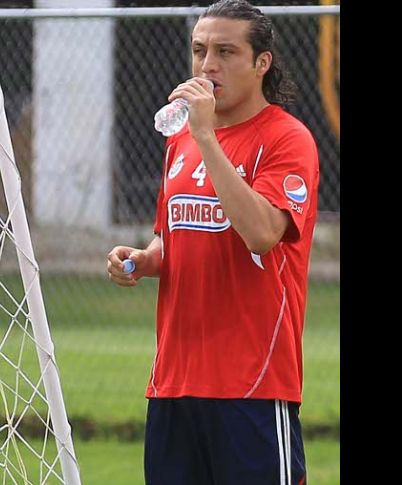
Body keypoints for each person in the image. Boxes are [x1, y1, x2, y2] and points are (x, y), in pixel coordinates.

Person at [106, 1, 319, 483]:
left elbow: (262, 233)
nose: (208, 66)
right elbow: (171, 237)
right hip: (174, 385)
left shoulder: (287, 139)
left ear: (261, 63)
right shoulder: (179, 141)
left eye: (226, 52)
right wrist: (143, 258)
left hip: (253, 383)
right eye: (200, 50)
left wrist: (205, 136)